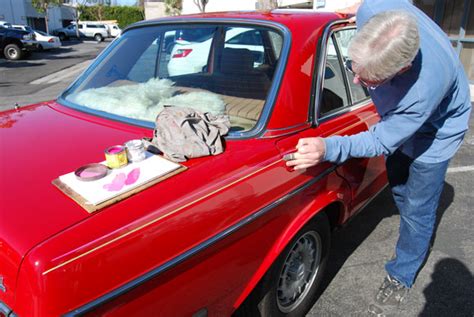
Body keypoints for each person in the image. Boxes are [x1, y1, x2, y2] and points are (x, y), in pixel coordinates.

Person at [286, 0, 472, 315]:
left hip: (436, 132)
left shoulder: (421, 92)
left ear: (402, 70)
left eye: (370, 80)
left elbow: (380, 139)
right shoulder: (377, 10)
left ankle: (402, 273)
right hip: (402, 118)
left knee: (418, 207)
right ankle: (408, 209)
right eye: (352, 68)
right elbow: (365, 3)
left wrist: (328, 148)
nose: (357, 82)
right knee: (398, 179)